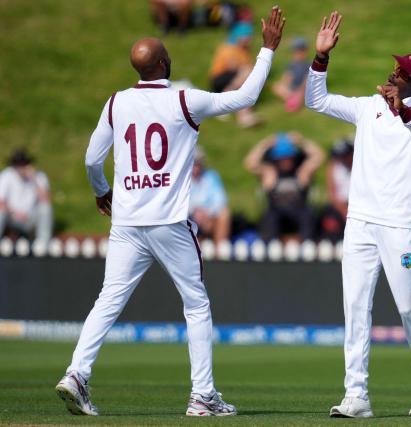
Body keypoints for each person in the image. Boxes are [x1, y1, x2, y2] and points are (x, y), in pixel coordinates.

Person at [54, 7, 285, 417]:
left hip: (126, 221)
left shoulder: (117, 102)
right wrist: (267, 50)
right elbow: (246, 97)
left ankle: (77, 373)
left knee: (108, 299)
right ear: (163, 63)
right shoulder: (183, 98)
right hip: (169, 220)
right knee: (196, 304)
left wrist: (101, 191)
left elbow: (92, 158)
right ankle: (202, 396)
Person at [305, 11, 411, 419]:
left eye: (402, 71)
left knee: (408, 307)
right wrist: (321, 58)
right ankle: (356, 395)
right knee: (355, 305)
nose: (393, 72)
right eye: (396, 66)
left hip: (401, 225)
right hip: (361, 221)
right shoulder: (369, 107)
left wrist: (402, 110)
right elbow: (316, 100)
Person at [244, 131, 324, 242]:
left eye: (288, 158)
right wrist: (265, 144)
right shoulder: (270, 172)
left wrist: (302, 142)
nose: (285, 161)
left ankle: (308, 244)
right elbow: (250, 163)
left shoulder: (302, 171)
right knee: (270, 218)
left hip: (299, 210)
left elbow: (319, 156)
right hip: (276, 211)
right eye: (282, 158)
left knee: (307, 216)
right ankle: (269, 247)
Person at [208, 21, 261, 127]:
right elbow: (231, 66)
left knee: (248, 77)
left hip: (234, 79)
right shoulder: (228, 48)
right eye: (247, 37)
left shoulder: (244, 51)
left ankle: (238, 111)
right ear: (240, 36)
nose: (249, 40)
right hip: (220, 79)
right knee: (247, 75)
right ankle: (240, 113)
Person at [0, 149, 53, 243]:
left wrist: (34, 179)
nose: (21, 167)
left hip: (31, 218)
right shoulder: (6, 176)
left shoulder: (38, 176)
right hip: (12, 217)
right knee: (1, 211)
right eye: (18, 164)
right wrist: (15, 213)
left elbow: (46, 200)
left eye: (23, 164)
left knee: (45, 208)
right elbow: (1, 202)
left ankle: (43, 243)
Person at [189, 147, 230, 244]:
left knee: (224, 214)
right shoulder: (181, 179)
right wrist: (195, 211)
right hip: (189, 218)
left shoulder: (211, 176)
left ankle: (220, 254)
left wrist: (207, 212)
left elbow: (221, 200)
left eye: (198, 164)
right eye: (193, 164)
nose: (196, 167)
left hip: (208, 217)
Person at [319, 138, 353, 242]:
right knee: (330, 220)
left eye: (345, 155)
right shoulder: (334, 166)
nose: (342, 159)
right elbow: (332, 194)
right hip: (340, 205)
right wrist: (345, 212)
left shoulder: (362, 165)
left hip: (358, 205)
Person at [272, 37, 311, 112]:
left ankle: (295, 101)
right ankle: (293, 98)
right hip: (291, 90)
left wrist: (300, 90)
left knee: (303, 91)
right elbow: (286, 78)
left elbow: (307, 81)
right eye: (296, 52)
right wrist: (285, 86)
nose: (299, 54)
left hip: (302, 89)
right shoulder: (291, 65)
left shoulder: (308, 65)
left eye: (301, 51)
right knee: (276, 86)